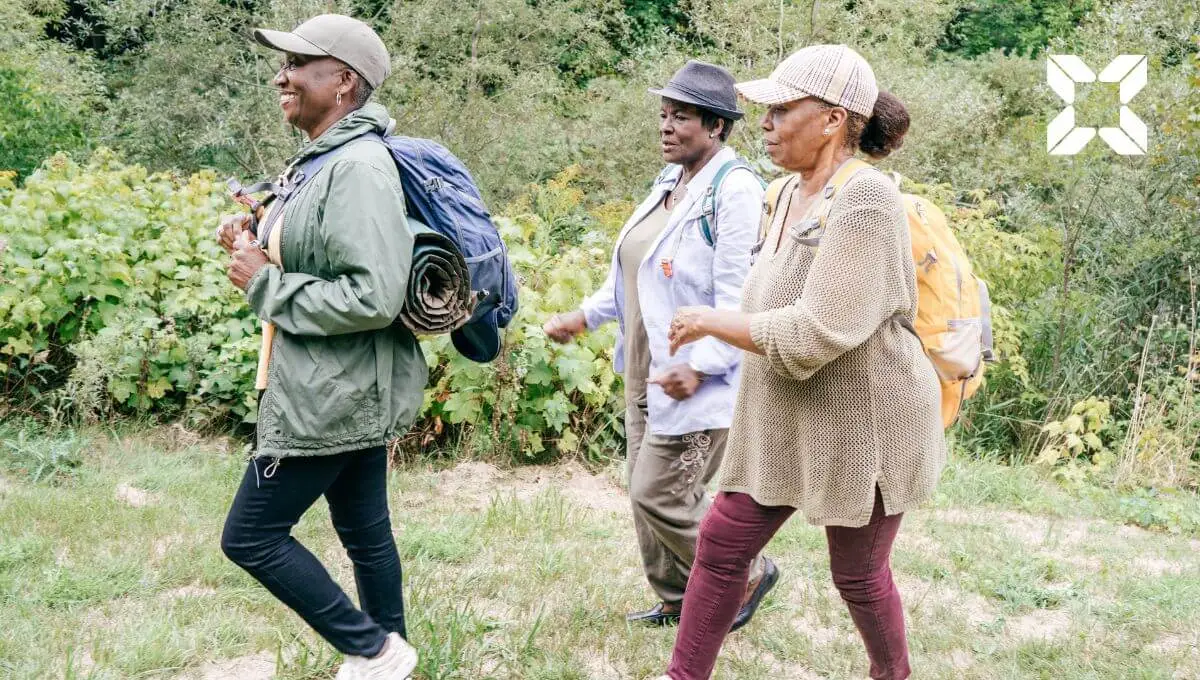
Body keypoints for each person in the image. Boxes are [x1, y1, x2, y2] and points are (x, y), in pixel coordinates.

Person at [652, 45, 947, 680]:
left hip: (865, 421)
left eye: (782, 109)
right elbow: (766, 296)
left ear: (834, 119)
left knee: (859, 574)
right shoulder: (784, 193)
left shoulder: (864, 199)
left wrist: (708, 323)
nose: (765, 122)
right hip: (784, 413)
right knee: (723, 544)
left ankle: (891, 675)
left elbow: (818, 330)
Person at [216, 14, 423, 680]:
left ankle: (375, 649)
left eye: (298, 64)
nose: (281, 75)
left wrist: (265, 287)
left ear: (342, 82)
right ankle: (388, 658)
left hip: (329, 394)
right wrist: (257, 231)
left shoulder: (358, 167)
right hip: (342, 383)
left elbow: (374, 294)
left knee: (249, 536)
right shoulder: (325, 157)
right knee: (365, 531)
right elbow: (320, 249)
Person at [543, 60, 776, 630]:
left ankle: (746, 571)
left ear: (718, 126)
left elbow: (736, 301)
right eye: (664, 115)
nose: (667, 127)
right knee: (640, 486)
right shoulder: (669, 183)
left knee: (662, 493)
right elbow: (633, 266)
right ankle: (676, 597)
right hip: (645, 364)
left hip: (697, 370)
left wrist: (699, 366)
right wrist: (586, 315)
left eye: (683, 118)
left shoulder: (735, 189)